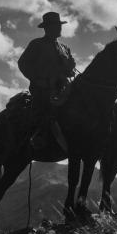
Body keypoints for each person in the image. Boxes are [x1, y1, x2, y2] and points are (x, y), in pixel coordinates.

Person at [18, 11, 76, 149]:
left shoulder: (65, 48)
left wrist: (70, 69)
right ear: (47, 28)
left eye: (59, 25)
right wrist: (38, 80)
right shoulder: (36, 44)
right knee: (45, 111)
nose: (59, 28)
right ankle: (38, 135)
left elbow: (69, 70)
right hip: (43, 88)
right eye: (56, 25)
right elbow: (23, 64)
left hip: (63, 89)